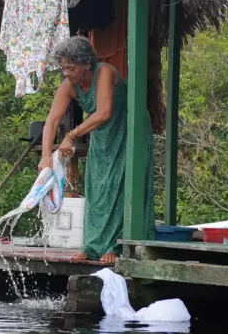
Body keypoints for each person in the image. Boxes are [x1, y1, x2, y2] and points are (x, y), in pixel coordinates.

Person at [38, 36, 154, 264]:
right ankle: (92, 245)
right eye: (63, 68)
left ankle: (116, 246)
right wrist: (45, 157)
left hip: (130, 129)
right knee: (97, 184)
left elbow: (104, 113)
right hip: (102, 135)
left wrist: (71, 136)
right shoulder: (68, 85)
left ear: (86, 64)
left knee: (120, 185)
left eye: (71, 68)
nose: (67, 73)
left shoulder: (105, 72)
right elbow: (51, 121)